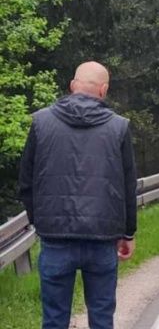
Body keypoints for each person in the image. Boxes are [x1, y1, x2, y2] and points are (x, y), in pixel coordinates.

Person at [18, 62, 137, 329]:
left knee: (54, 319)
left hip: (55, 237)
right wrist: (128, 233)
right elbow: (128, 185)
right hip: (102, 238)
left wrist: (41, 221)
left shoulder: (41, 122)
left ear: (73, 85)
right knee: (102, 318)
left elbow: (26, 182)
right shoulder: (119, 127)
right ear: (103, 90)